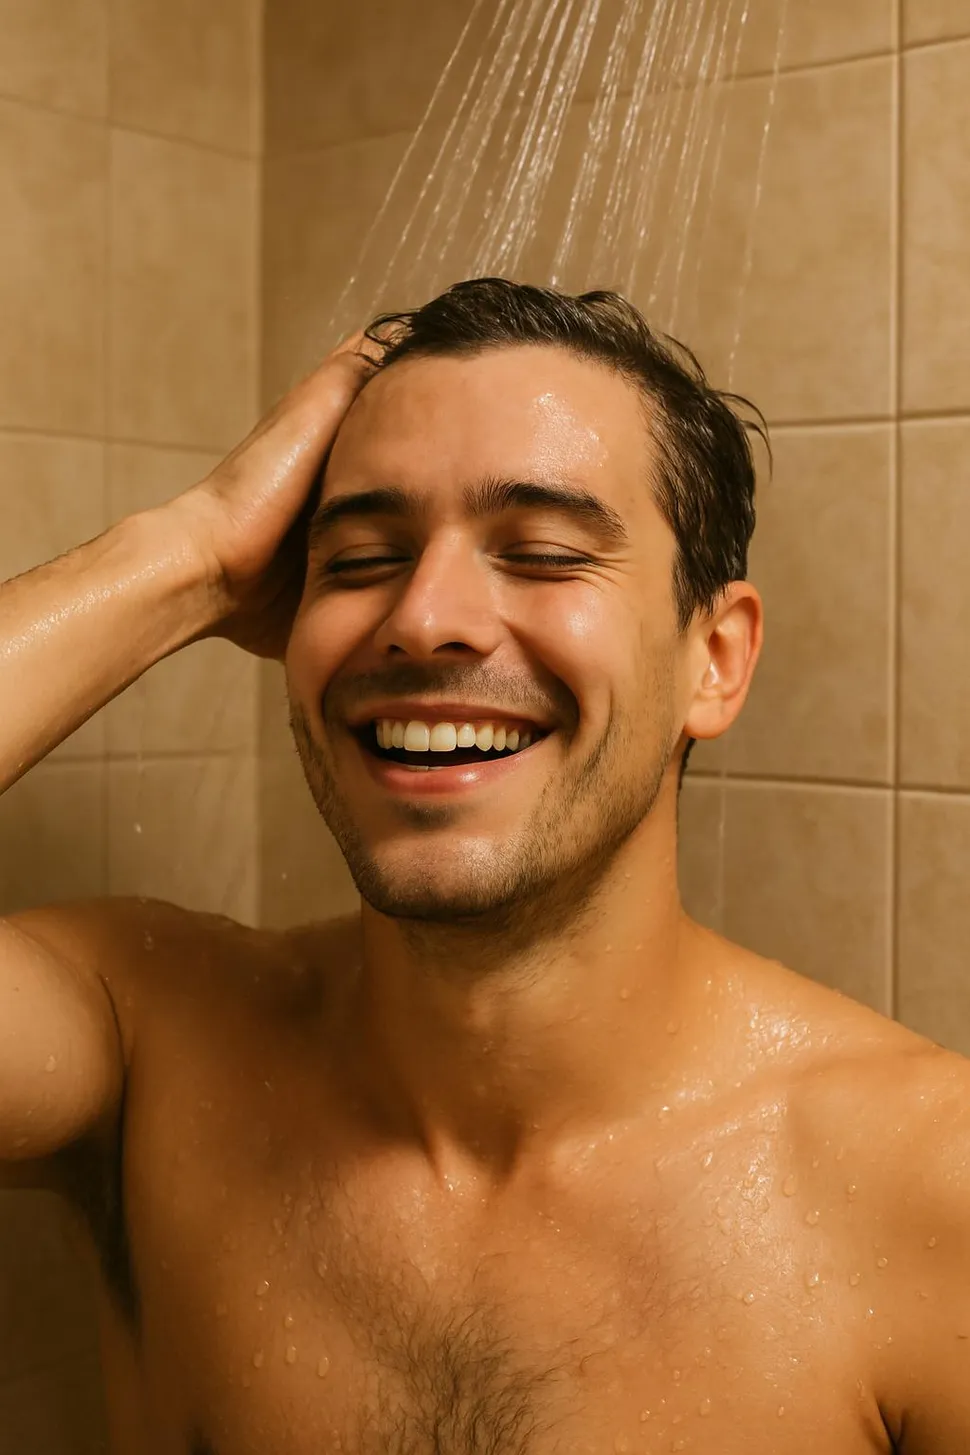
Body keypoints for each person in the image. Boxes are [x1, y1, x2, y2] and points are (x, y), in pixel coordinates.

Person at [1, 278, 967, 1455]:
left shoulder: (930, 1197)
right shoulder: (148, 1046)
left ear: (714, 659)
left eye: (545, 553)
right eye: (357, 560)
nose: (424, 617)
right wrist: (189, 555)